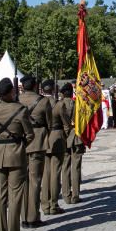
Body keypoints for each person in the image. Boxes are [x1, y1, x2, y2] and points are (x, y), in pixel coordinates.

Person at [0, 77, 34, 231]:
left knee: (0, 195)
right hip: (15, 153)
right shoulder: (20, 109)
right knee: (15, 194)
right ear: (9, 93)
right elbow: (30, 134)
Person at [17, 75, 51, 227]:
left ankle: (24, 216)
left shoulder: (16, 100)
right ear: (35, 85)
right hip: (37, 141)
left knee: (23, 180)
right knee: (35, 181)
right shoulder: (43, 101)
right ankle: (33, 216)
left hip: (20, 143)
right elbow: (49, 123)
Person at [43, 80, 70, 216]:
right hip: (57, 136)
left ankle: (44, 204)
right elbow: (66, 124)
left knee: (45, 173)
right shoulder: (59, 104)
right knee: (55, 172)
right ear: (53, 90)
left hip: (43, 138)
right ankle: (53, 204)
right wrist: (65, 136)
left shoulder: (39, 102)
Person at [60, 83, 84, 204]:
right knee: (76, 167)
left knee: (65, 167)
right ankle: (75, 195)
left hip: (63, 138)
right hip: (76, 137)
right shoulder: (77, 104)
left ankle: (66, 195)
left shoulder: (58, 105)